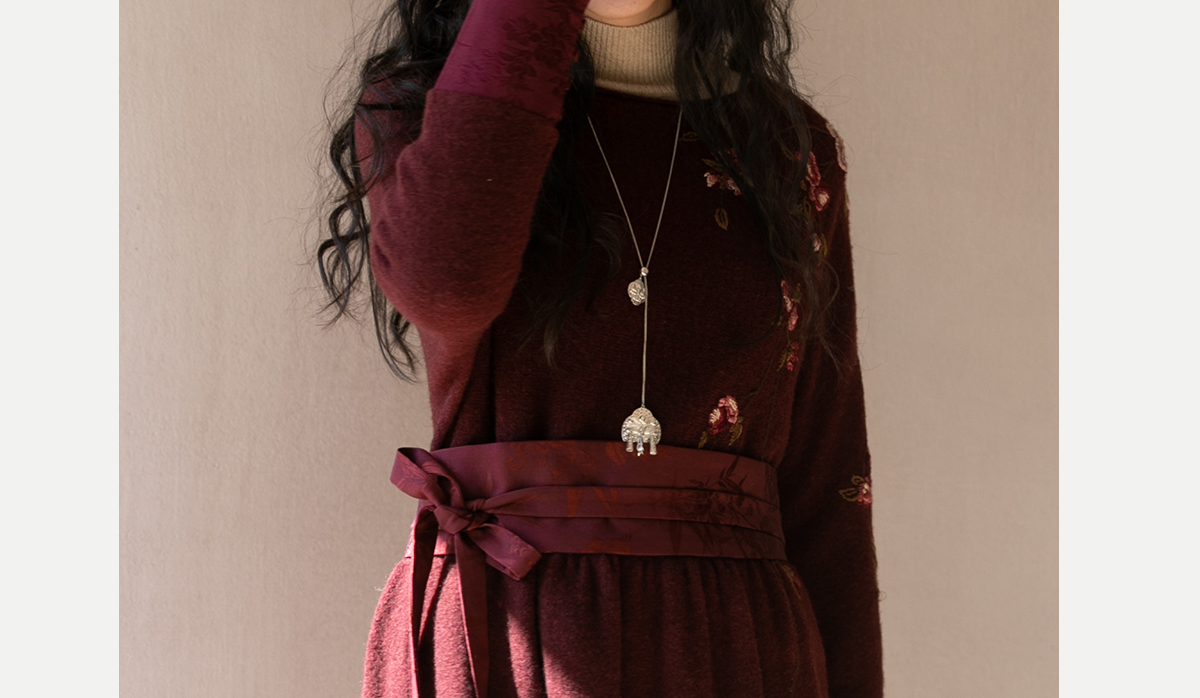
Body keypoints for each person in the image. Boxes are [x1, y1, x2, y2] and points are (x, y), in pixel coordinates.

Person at [317, 0, 882, 696]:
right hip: (503, 633)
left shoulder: (791, 150)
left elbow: (829, 481)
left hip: (733, 650)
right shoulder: (425, 106)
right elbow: (446, 283)